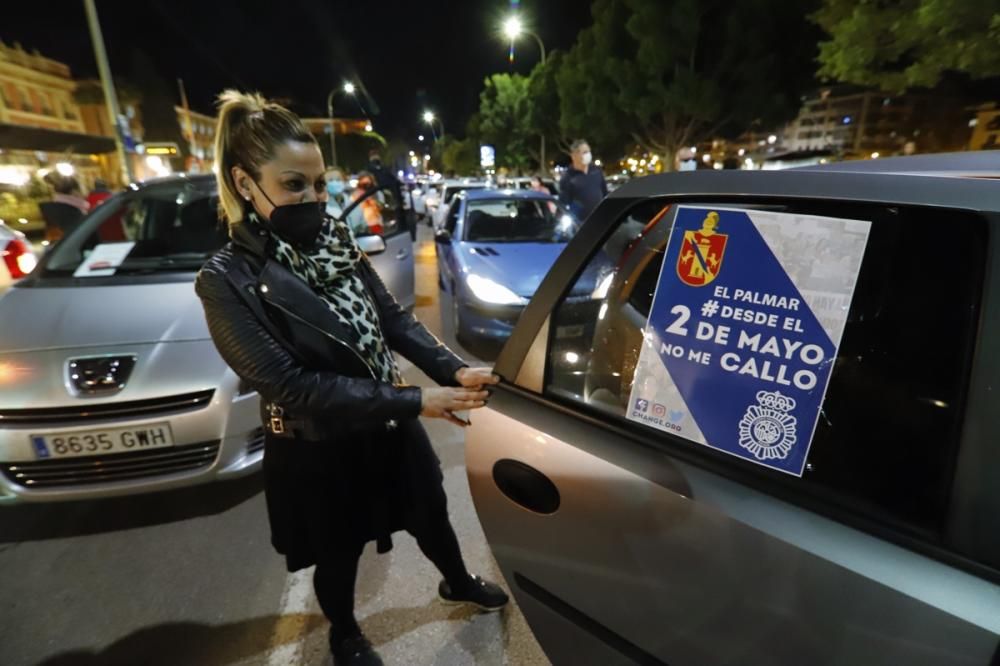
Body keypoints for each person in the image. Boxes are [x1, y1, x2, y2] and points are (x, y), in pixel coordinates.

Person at [195, 90, 509, 666]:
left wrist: (452, 367)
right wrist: (417, 399)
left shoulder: (335, 242)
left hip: (387, 425)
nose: (313, 199)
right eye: (294, 185)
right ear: (245, 183)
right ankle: (343, 631)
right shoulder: (225, 278)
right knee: (338, 553)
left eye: (319, 185)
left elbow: (392, 320)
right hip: (319, 446)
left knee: (430, 514)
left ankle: (457, 580)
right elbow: (290, 385)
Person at [558, 139, 608, 221]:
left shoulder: (596, 171)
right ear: (574, 156)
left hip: (600, 221)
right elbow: (564, 203)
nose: (588, 155)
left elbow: (605, 193)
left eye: (589, 151)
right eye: (584, 152)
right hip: (581, 224)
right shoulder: (568, 177)